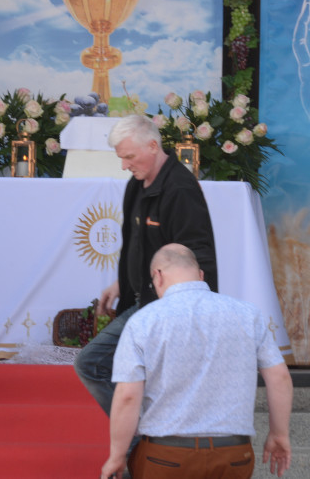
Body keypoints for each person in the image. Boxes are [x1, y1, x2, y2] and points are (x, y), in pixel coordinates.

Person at [100, 244, 293, 479]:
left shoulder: (144, 321)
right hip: (232, 454)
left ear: (158, 276)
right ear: (200, 275)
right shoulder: (248, 314)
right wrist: (279, 434)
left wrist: (117, 455)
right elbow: (280, 377)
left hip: (165, 456)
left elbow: (128, 396)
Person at [75, 113, 218, 415]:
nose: (124, 165)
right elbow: (136, 245)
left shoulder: (180, 189)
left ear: (153, 145)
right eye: (121, 158)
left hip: (167, 310)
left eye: (129, 157)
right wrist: (122, 283)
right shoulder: (135, 185)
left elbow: (197, 256)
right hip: (144, 301)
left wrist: (183, 315)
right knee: (104, 367)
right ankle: (145, 442)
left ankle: (141, 441)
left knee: (91, 363)